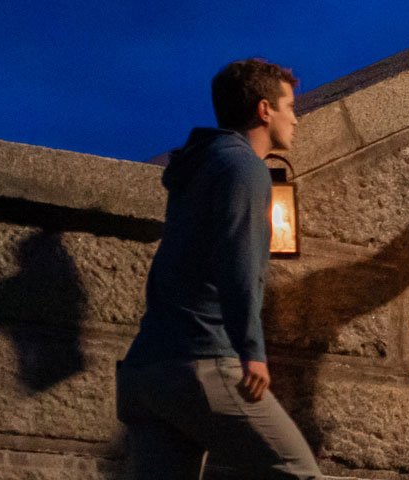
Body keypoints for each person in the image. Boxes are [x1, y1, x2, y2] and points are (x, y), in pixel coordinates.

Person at [116, 58, 321, 479]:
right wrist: (252, 352)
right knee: (298, 472)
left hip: (149, 371)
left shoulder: (201, 166)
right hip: (201, 361)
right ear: (265, 110)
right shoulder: (244, 168)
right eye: (289, 107)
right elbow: (239, 265)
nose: (296, 119)